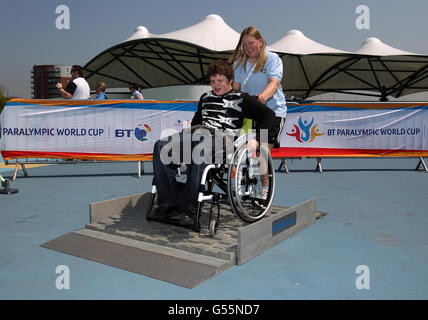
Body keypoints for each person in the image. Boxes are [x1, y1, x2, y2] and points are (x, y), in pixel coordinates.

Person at [147, 60, 276, 224]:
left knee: (201, 147)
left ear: (230, 80)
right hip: (199, 133)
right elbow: (196, 120)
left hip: (223, 139)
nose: (215, 85)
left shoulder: (241, 98)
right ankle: (168, 203)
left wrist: (257, 140)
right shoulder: (205, 97)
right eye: (213, 81)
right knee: (161, 146)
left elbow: (269, 116)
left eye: (220, 81)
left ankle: (189, 206)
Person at [229, 26, 287, 199]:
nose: (248, 47)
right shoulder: (240, 63)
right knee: (239, 146)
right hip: (250, 112)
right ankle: (241, 183)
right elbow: (236, 88)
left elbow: (274, 83)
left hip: (273, 112)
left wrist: (262, 97)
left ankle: (264, 190)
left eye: (251, 43)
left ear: (260, 42)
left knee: (262, 150)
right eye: (244, 44)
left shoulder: (272, 59)